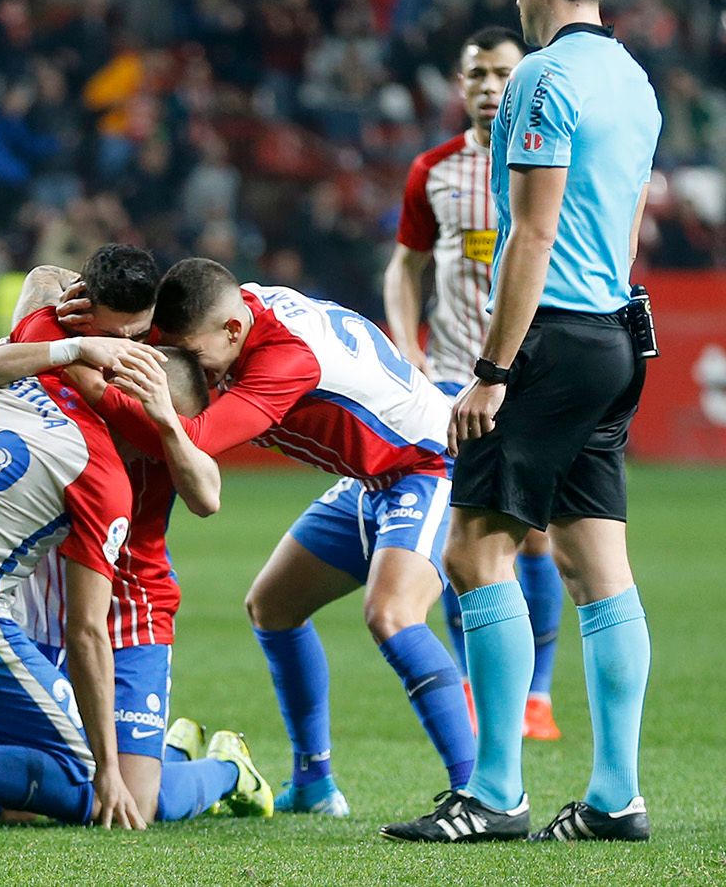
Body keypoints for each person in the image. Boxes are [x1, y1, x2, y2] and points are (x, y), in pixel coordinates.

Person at [380, 0, 660, 844]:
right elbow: (622, 229)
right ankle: (616, 796)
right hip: (617, 331)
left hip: (550, 337)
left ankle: (495, 791)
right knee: (595, 563)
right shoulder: (633, 79)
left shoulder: (542, 80)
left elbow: (531, 234)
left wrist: (493, 370)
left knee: (472, 552)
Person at [85, 258, 475, 819]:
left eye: (193, 358)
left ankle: (477, 792)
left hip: (428, 466)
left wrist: (99, 382)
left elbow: (198, 438)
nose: (190, 370)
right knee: (273, 606)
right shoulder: (223, 313)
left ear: (233, 332)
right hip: (373, 477)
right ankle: (315, 784)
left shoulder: (285, 359)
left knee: (392, 614)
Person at [0, 257, 274, 824]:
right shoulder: (90, 347)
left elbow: (207, 496)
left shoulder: (160, 407)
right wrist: (62, 302)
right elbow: (38, 279)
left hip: (133, 605)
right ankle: (168, 748)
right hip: (44, 595)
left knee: (138, 806)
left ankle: (229, 767)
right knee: (30, 807)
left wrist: (163, 423)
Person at [382, 26, 565, 742]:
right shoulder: (432, 170)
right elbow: (404, 267)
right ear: (459, 87)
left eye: (501, 75)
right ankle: (473, 684)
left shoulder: (547, 164)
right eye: (476, 76)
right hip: (455, 382)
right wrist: (407, 348)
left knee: (539, 540)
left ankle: (537, 696)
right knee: (467, 534)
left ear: (524, 84)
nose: (488, 88)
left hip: (531, 378)